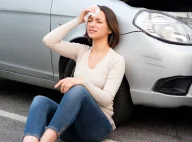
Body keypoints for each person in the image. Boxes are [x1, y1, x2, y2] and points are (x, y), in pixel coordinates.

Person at [22, 5, 125, 142]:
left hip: (96, 128)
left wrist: (83, 81)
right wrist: (78, 20)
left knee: (79, 89)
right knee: (40, 101)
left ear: (110, 29)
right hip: (70, 126)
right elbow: (49, 41)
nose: (92, 24)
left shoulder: (116, 60)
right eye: (90, 20)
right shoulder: (81, 51)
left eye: (99, 22)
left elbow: (106, 99)